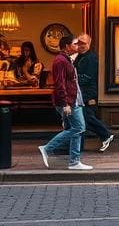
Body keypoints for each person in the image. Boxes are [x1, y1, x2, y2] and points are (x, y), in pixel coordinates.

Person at [37, 35, 92, 171]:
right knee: (79, 128)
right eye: (74, 44)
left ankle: (74, 162)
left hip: (73, 100)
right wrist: (66, 103)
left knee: (73, 130)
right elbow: (59, 84)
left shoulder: (66, 59)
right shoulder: (60, 61)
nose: (77, 46)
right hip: (69, 101)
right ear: (67, 46)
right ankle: (47, 148)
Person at [74, 33, 115, 152]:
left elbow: (88, 76)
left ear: (89, 44)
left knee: (86, 118)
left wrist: (74, 81)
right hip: (81, 92)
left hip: (88, 93)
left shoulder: (91, 57)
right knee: (83, 119)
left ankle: (106, 135)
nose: (81, 45)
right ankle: (104, 136)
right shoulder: (79, 57)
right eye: (79, 42)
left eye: (84, 43)